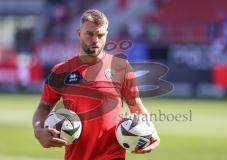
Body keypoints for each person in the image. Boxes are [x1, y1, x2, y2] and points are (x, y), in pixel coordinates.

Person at [32, 9, 160, 160]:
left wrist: (151, 130)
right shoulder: (61, 71)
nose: (96, 40)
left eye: (100, 35)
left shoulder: (121, 68)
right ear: (79, 33)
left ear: (106, 34)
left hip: (113, 155)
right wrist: (38, 130)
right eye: (90, 34)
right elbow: (44, 106)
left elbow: (137, 107)